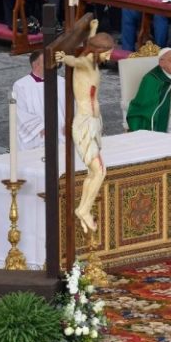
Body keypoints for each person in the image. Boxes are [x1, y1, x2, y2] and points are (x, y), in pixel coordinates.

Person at [54, 27, 115, 233]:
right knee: (100, 171)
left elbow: (87, 47)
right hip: (84, 124)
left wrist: (93, 29)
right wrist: (64, 58)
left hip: (93, 123)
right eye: (107, 53)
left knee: (95, 171)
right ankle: (84, 210)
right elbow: (76, 61)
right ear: (98, 51)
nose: (109, 57)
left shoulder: (92, 62)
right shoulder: (86, 63)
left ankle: (83, 209)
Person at [12, 49, 65, 151]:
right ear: (36, 65)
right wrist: (39, 128)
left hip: (61, 133)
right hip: (37, 136)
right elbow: (19, 112)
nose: (53, 65)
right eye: (48, 62)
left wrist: (70, 123)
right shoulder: (21, 85)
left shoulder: (61, 81)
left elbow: (72, 104)